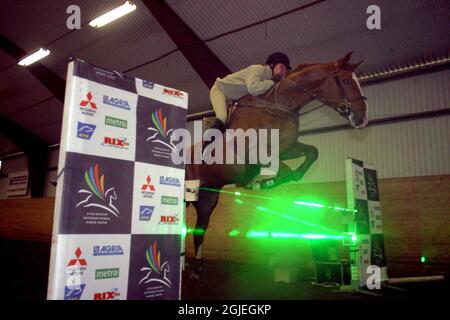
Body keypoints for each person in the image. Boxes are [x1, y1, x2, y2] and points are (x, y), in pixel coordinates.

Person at [208, 52, 292, 132]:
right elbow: (253, 88)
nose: (283, 71)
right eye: (282, 67)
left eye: (285, 69)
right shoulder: (258, 69)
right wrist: (272, 82)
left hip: (231, 100)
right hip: (219, 91)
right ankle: (205, 143)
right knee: (222, 117)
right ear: (272, 64)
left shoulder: (268, 80)